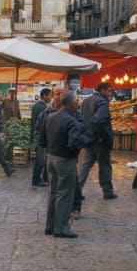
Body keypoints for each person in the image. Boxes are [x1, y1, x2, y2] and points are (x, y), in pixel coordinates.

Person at [40, 91, 90, 238]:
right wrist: (86, 141)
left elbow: (42, 140)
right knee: (65, 194)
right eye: (77, 100)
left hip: (51, 158)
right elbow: (75, 142)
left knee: (53, 192)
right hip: (65, 160)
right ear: (72, 103)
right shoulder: (70, 121)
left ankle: (50, 226)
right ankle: (61, 228)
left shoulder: (50, 117)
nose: (79, 102)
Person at [78, 82, 117, 200]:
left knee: (86, 164)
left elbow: (82, 119)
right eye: (109, 91)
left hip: (89, 138)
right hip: (99, 140)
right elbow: (99, 120)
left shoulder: (86, 101)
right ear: (103, 90)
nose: (110, 94)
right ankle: (108, 191)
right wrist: (100, 135)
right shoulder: (102, 102)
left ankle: (77, 189)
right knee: (105, 165)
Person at [31, 88, 52, 187]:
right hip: (40, 137)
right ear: (44, 96)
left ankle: (43, 178)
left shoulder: (38, 106)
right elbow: (41, 124)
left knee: (42, 160)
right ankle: (36, 180)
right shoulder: (41, 107)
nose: (50, 97)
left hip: (38, 136)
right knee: (40, 160)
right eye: (49, 95)